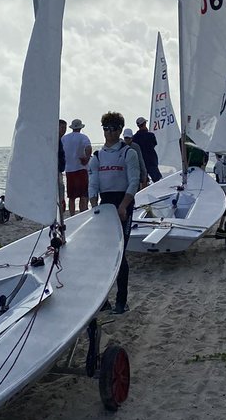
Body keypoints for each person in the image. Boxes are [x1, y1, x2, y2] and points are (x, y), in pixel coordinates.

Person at [88, 111, 140, 314]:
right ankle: (103, 301)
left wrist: (124, 206)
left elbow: (134, 181)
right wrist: (94, 207)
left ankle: (121, 301)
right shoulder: (97, 157)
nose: (108, 133)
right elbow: (93, 185)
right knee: (104, 255)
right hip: (106, 204)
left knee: (120, 254)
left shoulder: (128, 153)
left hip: (123, 203)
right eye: (105, 129)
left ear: (119, 130)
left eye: (112, 129)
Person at [61, 118, 92, 215]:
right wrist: (87, 158)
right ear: (80, 127)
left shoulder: (65, 138)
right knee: (83, 195)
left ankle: (72, 215)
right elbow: (88, 147)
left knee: (71, 197)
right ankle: (82, 213)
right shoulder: (83, 137)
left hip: (69, 169)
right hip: (81, 168)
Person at [131, 117, 161, 182]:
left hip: (141, 162)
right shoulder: (151, 135)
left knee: (144, 182)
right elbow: (154, 144)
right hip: (151, 162)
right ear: (144, 124)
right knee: (158, 181)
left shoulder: (134, 138)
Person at [58, 119, 67, 218]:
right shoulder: (55, 140)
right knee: (59, 193)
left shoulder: (60, 140)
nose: (63, 130)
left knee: (61, 192)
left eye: (65, 128)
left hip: (60, 170)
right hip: (56, 171)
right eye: (62, 128)